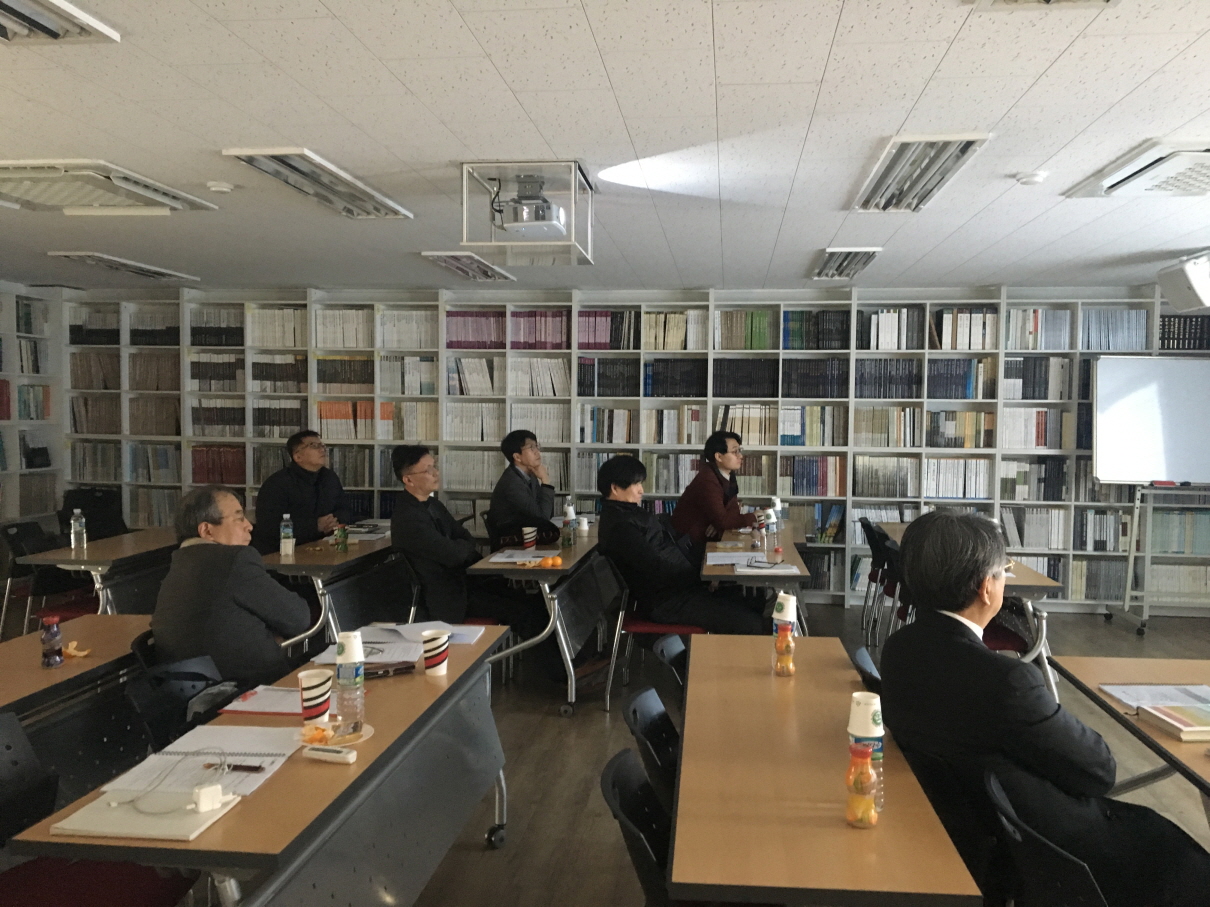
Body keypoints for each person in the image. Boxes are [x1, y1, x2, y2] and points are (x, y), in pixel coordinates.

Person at [880, 510, 1210, 907]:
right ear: (986, 588)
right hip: (1056, 852)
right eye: (1003, 572)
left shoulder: (898, 650)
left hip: (974, 828)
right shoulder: (1007, 682)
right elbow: (1099, 771)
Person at [152, 486, 312, 689]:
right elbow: (298, 618)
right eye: (239, 518)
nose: (249, 526)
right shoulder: (235, 559)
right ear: (207, 530)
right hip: (248, 688)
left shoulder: (179, 562)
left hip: (192, 692)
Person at [595, 455, 766, 635]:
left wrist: (707, 569)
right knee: (752, 623)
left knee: (756, 599)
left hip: (680, 589)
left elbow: (667, 551)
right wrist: (703, 575)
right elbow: (655, 568)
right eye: (636, 484)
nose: (641, 490)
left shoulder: (628, 514)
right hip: (667, 602)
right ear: (615, 488)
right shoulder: (621, 527)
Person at [390, 445, 547, 636]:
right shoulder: (408, 518)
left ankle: (554, 652)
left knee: (535, 599)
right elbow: (454, 554)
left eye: (434, 466)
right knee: (524, 611)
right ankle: (541, 654)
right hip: (448, 598)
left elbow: (466, 538)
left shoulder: (433, 504)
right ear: (408, 479)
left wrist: (460, 546)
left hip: (464, 582)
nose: (436, 473)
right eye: (428, 470)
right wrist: (461, 547)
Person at [251, 430, 352, 555]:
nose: (322, 450)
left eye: (322, 445)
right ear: (297, 457)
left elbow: (345, 508)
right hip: (282, 551)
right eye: (314, 446)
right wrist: (315, 526)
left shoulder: (329, 477)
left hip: (323, 546)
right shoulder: (277, 484)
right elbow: (269, 526)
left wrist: (334, 521)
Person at [672, 430, 758, 550]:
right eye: (735, 452)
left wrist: (718, 523)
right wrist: (754, 516)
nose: (740, 456)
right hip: (688, 546)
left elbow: (733, 512)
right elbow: (724, 521)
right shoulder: (707, 480)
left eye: (740, 450)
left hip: (706, 540)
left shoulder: (728, 475)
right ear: (719, 457)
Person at [488, 429, 557, 549]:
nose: (537, 452)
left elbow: (547, 513)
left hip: (527, 536)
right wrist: (545, 481)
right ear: (517, 457)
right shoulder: (512, 483)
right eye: (531, 448)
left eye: (537, 446)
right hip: (510, 542)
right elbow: (543, 519)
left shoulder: (530, 474)